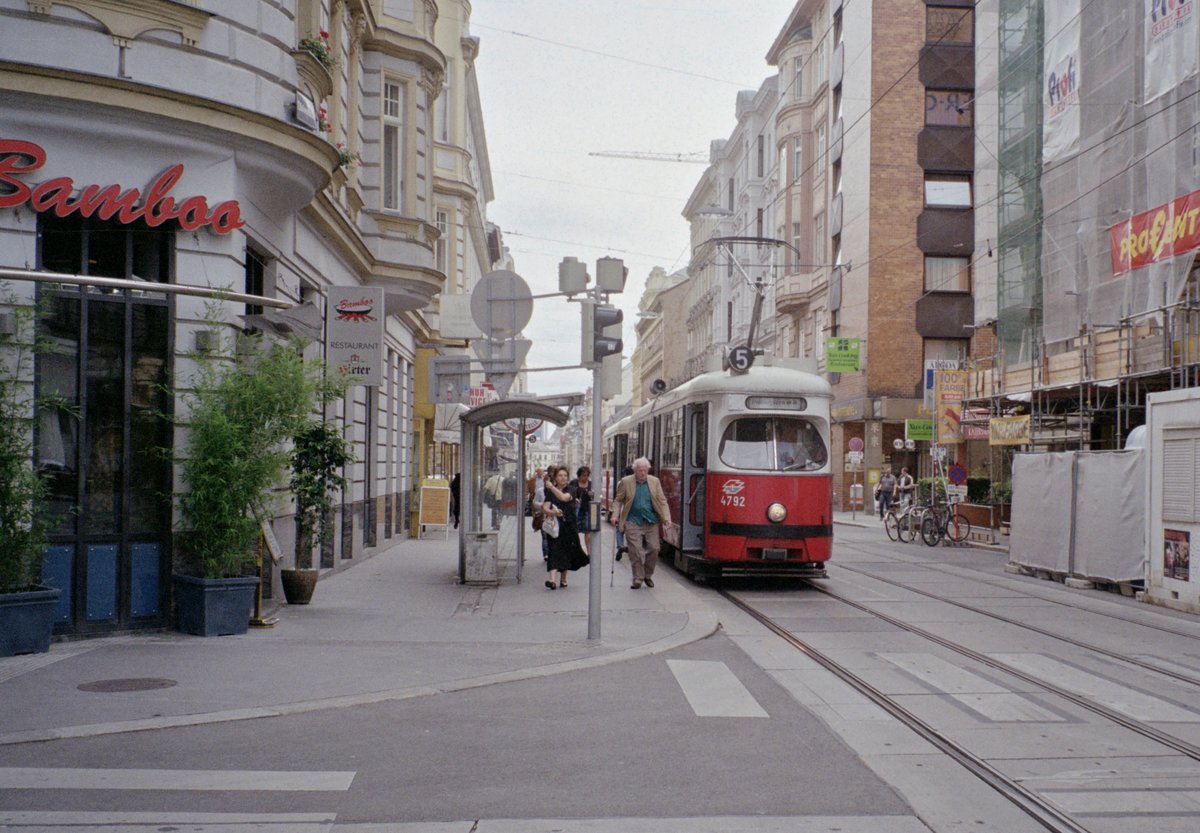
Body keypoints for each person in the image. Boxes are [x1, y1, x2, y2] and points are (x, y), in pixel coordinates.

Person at [612, 457, 672, 589]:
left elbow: (662, 501)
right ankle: (638, 578)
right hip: (633, 520)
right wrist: (615, 515)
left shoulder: (654, 481)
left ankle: (647, 575)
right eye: (640, 471)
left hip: (651, 521)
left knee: (654, 548)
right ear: (634, 471)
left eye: (645, 471)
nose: (643, 473)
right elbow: (618, 500)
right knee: (636, 551)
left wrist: (666, 518)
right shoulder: (626, 482)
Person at [542, 465, 589, 589]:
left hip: (568, 526)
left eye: (565, 476)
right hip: (555, 526)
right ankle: (552, 580)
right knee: (554, 550)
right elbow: (545, 507)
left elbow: (564, 498)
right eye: (560, 476)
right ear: (556, 477)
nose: (563, 478)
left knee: (567, 551)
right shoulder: (551, 492)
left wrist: (552, 487)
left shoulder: (572, 489)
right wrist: (552, 512)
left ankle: (563, 579)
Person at [569, 465, 596, 555]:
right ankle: (576, 551)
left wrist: (592, 495)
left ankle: (589, 553)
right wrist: (573, 498)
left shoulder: (591, 484)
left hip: (588, 510)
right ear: (579, 475)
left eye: (587, 475)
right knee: (574, 531)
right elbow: (568, 493)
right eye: (583, 475)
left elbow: (596, 497)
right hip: (575, 510)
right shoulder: (573, 483)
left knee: (588, 531)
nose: (585, 477)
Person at [614, 465, 633, 561]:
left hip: (622, 510)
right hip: (632, 511)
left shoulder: (620, 483)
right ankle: (631, 550)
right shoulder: (635, 483)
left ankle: (620, 546)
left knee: (619, 530)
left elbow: (618, 499)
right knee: (631, 531)